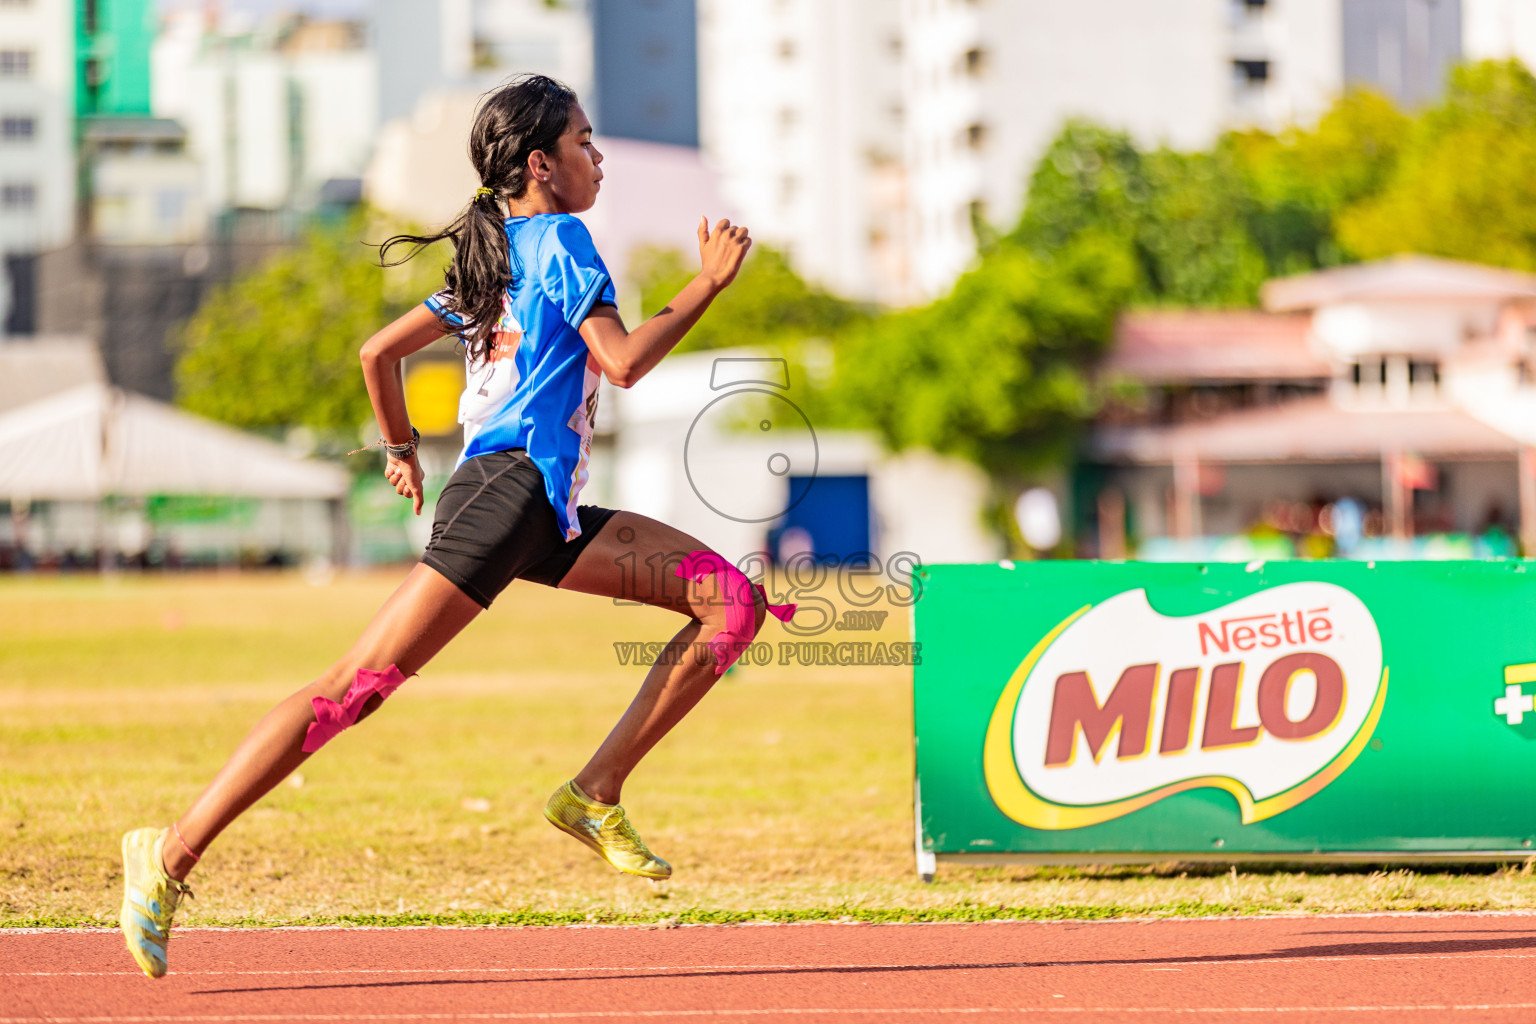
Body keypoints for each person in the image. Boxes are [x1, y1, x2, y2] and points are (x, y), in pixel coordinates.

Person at [118, 74, 793, 980]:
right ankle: (167, 857)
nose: (598, 158)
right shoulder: (560, 238)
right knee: (350, 690)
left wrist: (401, 446)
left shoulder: (498, 252)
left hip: (534, 505)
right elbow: (624, 365)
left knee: (730, 602)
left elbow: (377, 353)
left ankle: (594, 793)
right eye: (585, 141)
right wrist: (706, 284)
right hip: (506, 497)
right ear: (540, 164)